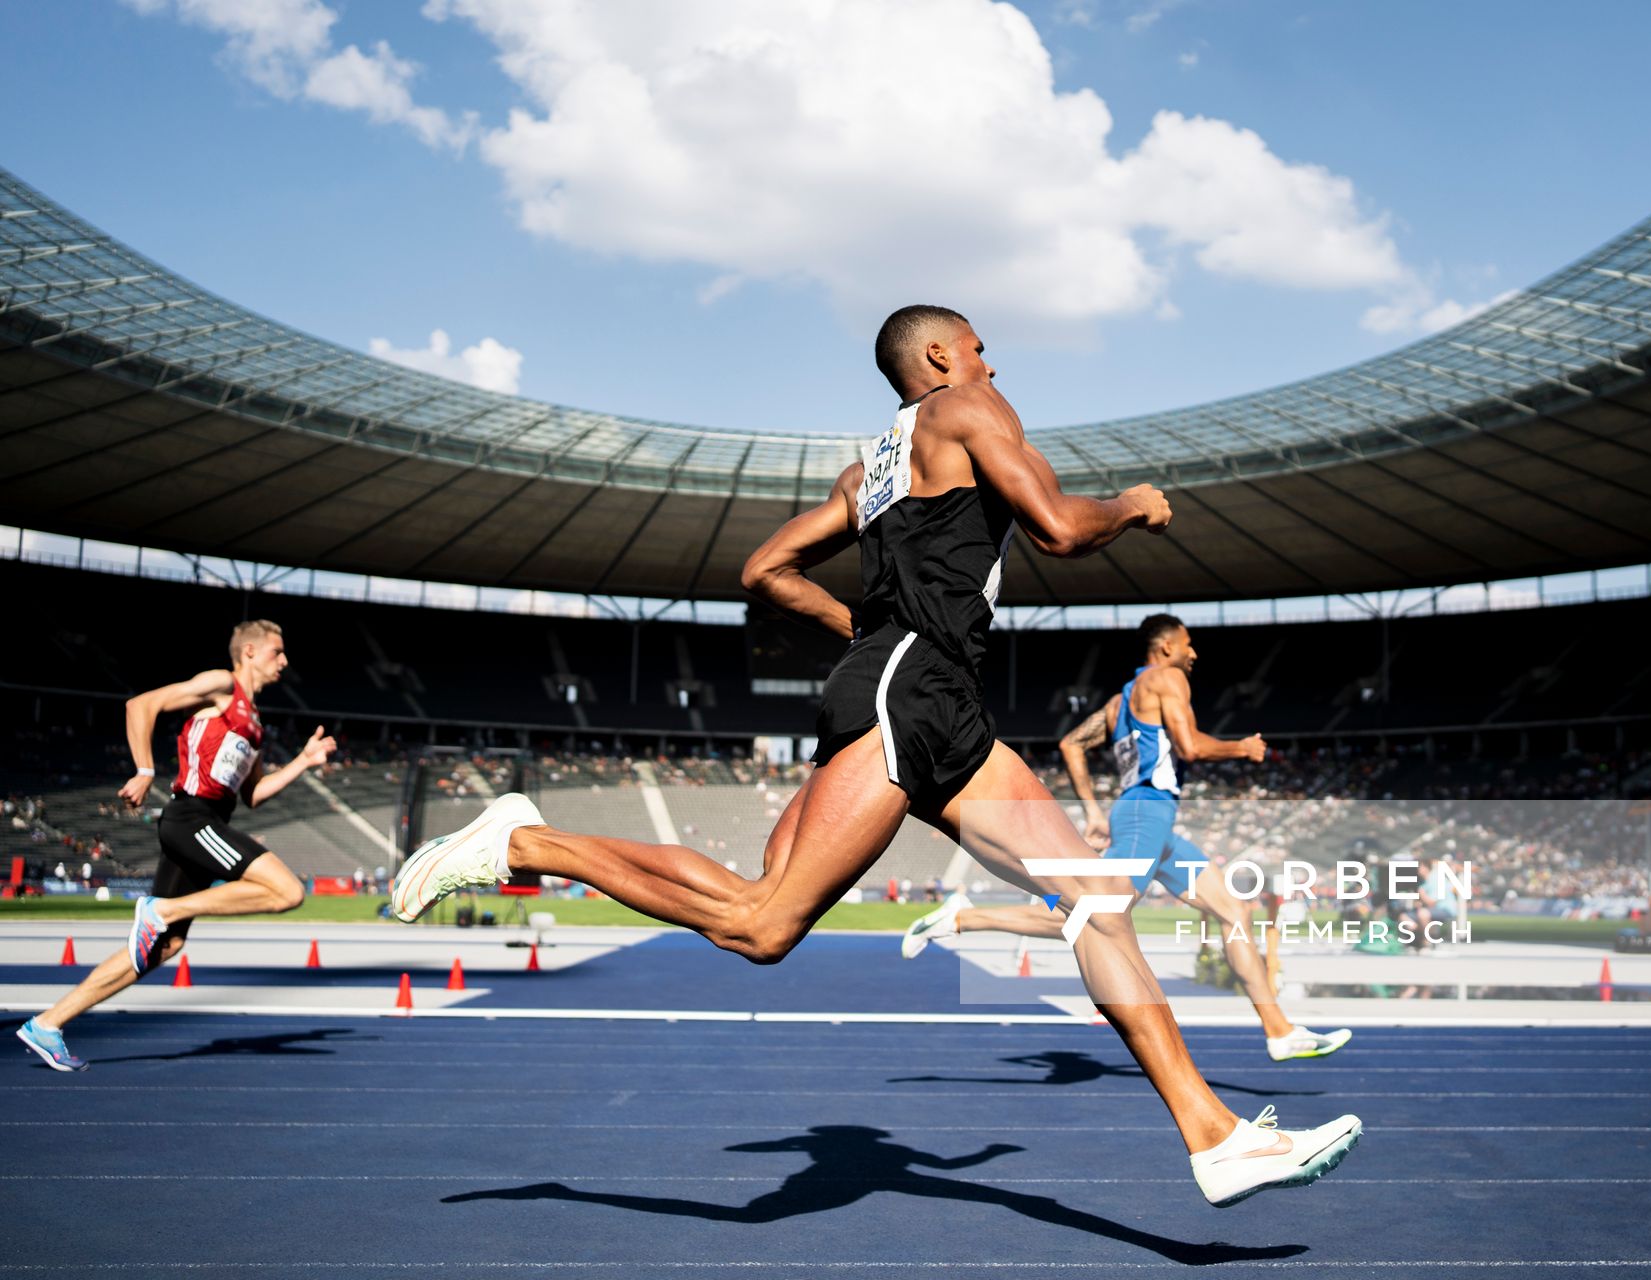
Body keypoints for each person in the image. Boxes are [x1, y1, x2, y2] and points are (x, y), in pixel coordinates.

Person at [392, 305, 1360, 1205]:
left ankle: (1215, 1133)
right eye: (978, 345)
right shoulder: (968, 405)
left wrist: (863, 626)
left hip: (921, 692)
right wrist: (1133, 505)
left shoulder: (871, 466)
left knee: (1096, 899)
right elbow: (1061, 529)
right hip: (915, 689)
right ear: (939, 358)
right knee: (762, 921)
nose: (992, 362)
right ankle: (529, 842)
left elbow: (763, 569)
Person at [901, 616, 1351, 1064]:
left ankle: (1280, 1031)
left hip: (1151, 821)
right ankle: (964, 918)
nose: (1194, 654)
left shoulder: (1119, 703)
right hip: (1145, 815)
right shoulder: (1168, 679)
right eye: (1188, 644)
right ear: (1167, 647)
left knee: (1235, 910)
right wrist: (1241, 749)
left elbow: (1071, 744)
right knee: (1098, 916)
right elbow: (1190, 746)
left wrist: (1093, 808)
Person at [14, 621, 336, 1072]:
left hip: (207, 826)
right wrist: (145, 769)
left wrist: (303, 760)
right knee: (288, 891)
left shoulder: (255, 722)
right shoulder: (222, 686)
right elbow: (141, 705)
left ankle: (48, 1023)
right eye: (277, 652)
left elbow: (255, 795)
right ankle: (160, 910)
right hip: (191, 818)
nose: (284, 661)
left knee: (163, 948)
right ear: (248, 651)